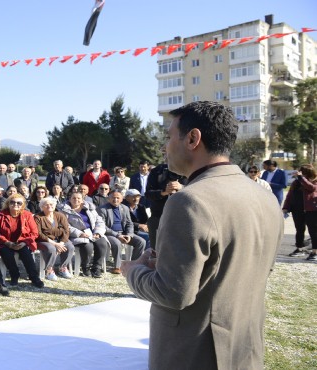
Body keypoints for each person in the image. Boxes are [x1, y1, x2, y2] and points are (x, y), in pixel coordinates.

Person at [121, 101, 283, 369]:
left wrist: (132, 271)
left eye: (169, 136)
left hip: (197, 351)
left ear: (193, 138)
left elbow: (173, 293)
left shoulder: (189, 201)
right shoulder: (264, 196)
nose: (165, 147)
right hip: (244, 346)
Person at [0, 193, 44, 288]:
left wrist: (24, 242)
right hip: (6, 242)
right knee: (6, 253)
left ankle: (34, 277)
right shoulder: (1, 215)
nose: (15, 204)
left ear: (23, 204)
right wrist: (7, 242)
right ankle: (14, 275)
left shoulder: (27, 215)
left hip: (23, 241)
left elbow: (34, 233)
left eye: (19, 203)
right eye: (12, 202)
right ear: (8, 203)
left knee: (26, 253)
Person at [60, 191, 109, 278]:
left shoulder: (89, 208)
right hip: (77, 235)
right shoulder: (64, 210)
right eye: (74, 198)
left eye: (79, 198)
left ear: (82, 199)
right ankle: (85, 267)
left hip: (93, 233)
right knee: (88, 246)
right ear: (69, 199)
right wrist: (79, 233)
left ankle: (96, 267)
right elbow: (65, 226)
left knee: (102, 243)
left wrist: (98, 232)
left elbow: (99, 221)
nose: (76, 200)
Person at [99, 190, 145, 274]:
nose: (115, 200)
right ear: (108, 199)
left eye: (118, 198)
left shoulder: (125, 208)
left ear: (121, 199)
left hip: (124, 233)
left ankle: (134, 265)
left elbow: (129, 223)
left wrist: (129, 235)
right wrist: (117, 235)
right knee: (117, 243)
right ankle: (117, 266)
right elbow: (103, 226)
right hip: (110, 234)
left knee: (141, 242)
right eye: (113, 198)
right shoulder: (102, 209)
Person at [145, 162, 187, 249]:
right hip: (158, 217)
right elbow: (148, 193)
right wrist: (164, 192)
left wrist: (182, 188)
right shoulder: (157, 171)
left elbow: (199, 191)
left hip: (183, 218)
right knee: (156, 250)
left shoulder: (190, 169)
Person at [34, 197, 75, 280]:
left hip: (60, 240)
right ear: (42, 207)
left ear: (55, 205)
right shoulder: (38, 217)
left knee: (70, 246)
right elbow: (39, 233)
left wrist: (62, 243)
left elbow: (66, 230)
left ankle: (62, 268)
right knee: (51, 248)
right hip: (44, 240)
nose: (49, 206)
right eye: (46, 205)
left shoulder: (60, 215)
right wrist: (55, 244)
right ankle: (49, 270)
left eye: (51, 204)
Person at [283, 164, 317, 260]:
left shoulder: (314, 181)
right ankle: (300, 249)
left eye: (301, 171)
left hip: (311, 210)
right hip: (297, 210)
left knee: (313, 232)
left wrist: (301, 178)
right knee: (299, 230)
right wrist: (285, 207)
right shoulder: (296, 182)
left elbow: (311, 188)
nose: (299, 173)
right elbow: (289, 195)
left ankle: (315, 252)